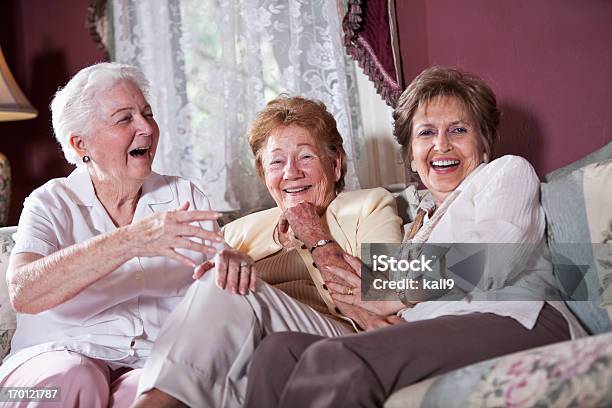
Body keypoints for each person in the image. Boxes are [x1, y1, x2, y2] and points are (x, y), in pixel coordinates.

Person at [243, 67, 587, 408]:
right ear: (410, 153)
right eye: (426, 133)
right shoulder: (417, 227)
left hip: (517, 317)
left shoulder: (506, 173)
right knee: (277, 354)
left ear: (484, 143)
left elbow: (493, 256)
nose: (441, 145)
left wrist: (391, 293)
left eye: (458, 130)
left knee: (336, 363)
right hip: (439, 331)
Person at [0, 62, 252, 408]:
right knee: (77, 376)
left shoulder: (182, 196)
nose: (146, 128)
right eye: (125, 119)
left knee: (153, 392)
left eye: (147, 114)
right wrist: (131, 239)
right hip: (50, 361)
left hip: (145, 360)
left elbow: (218, 282)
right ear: (80, 143)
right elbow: (24, 292)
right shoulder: (51, 202)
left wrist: (233, 262)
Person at [132, 96, 404, 408]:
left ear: (336, 163)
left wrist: (312, 233)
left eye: (305, 157)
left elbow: (389, 283)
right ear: (264, 175)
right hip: (256, 353)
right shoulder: (237, 231)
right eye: (276, 162)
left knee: (226, 284)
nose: (291, 173)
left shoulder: (367, 205)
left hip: (332, 337)